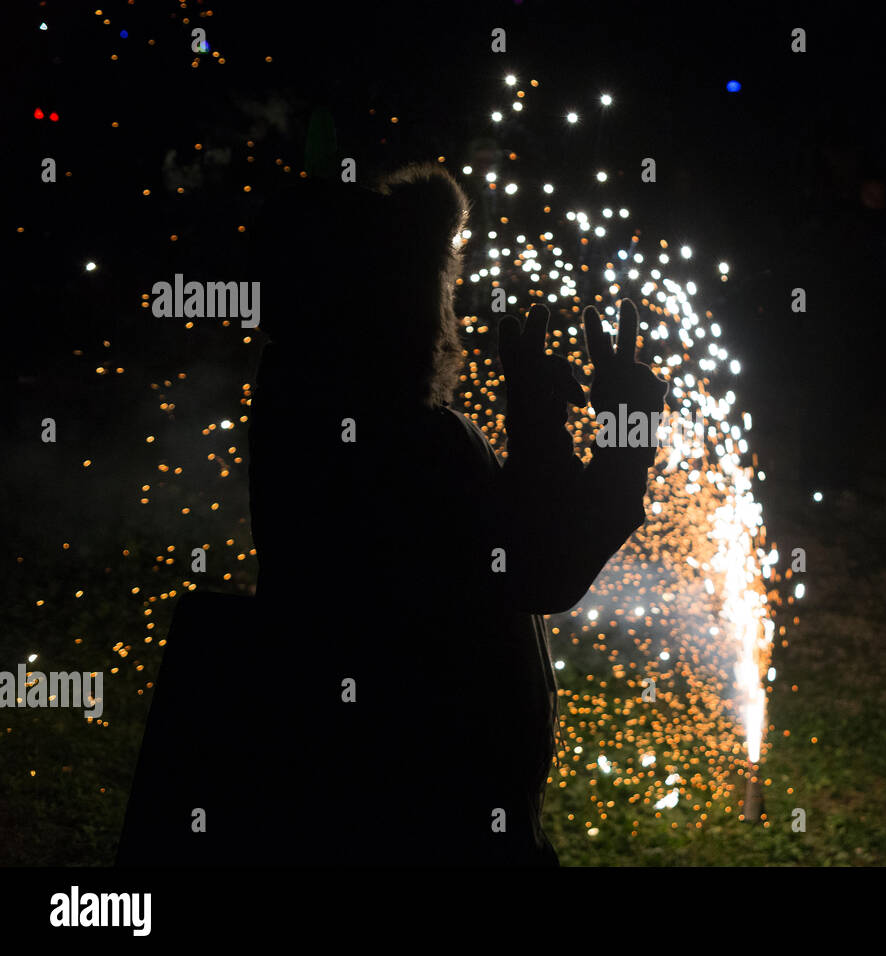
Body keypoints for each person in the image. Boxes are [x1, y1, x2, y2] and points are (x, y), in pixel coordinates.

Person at [117, 162, 666, 866]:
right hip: (430, 816)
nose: (451, 307)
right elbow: (540, 569)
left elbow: (498, 553)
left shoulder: (303, 402)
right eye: (438, 287)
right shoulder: (402, 439)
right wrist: (616, 439)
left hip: (371, 797)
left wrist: (541, 435)